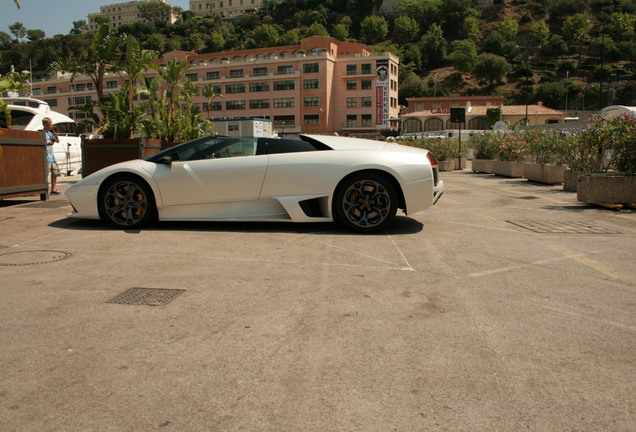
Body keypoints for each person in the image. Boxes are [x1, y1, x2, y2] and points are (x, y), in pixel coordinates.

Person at [43, 117, 60, 195]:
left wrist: (55, 135)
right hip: (45, 157)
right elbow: (43, 143)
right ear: (44, 125)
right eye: (48, 125)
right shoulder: (42, 133)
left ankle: (53, 189)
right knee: (45, 174)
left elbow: (57, 141)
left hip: (52, 157)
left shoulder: (50, 133)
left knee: (55, 173)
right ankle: (44, 189)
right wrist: (48, 143)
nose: (50, 126)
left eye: (51, 125)